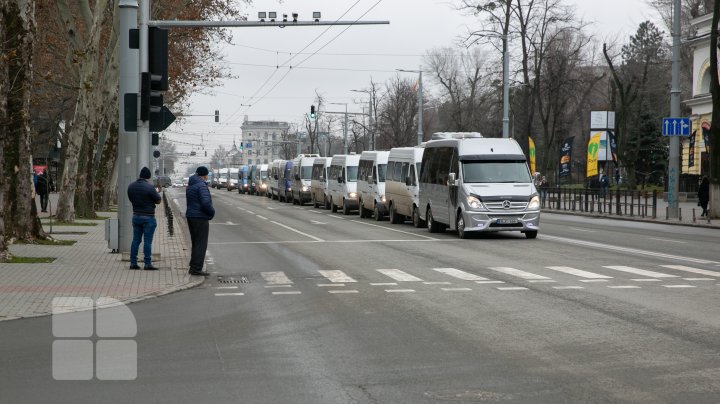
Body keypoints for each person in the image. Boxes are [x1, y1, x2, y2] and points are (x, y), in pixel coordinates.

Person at [127, 167, 161, 270]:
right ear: (148, 176)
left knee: (136, 240)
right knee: (147, 242)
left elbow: (131, 198)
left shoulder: (131, 186)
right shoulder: (150, 187)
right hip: (148, 217)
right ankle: (147, 263)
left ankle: (133, 263)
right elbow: (158, 200)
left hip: (136, 216)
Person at [186, 166, 215, 277]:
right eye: (207, 174)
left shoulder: (191, 185)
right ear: (204, 175)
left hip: (191, 216)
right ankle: (197, 268)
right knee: (201, 244)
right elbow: (206, 203)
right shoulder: (202, 186)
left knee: (195, 242)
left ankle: (193, 266)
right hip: (200, 217)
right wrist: (212, 213)